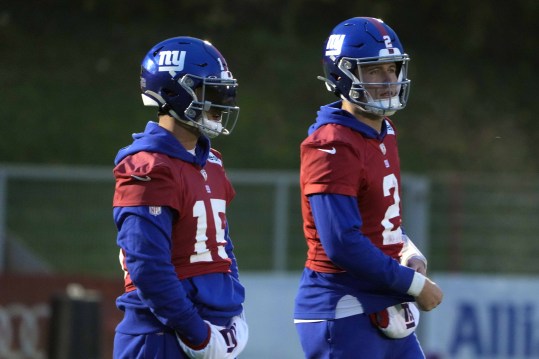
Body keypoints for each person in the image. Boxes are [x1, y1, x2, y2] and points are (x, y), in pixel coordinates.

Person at [294, 17, 443, 358]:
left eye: (392, 69)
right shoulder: (331, 144)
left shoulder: (383, 130)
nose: (389, 81)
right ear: (342, 75)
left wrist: (407, 250)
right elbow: (342, 243)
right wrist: (415, 285)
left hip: (382, 300)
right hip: (343, 309)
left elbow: (380, 219)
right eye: (374, 71)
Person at [112, 36, 248, 359]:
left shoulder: (211, 160)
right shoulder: (147, 166)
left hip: (205, 328)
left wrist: (233, 308)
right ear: (174, 92)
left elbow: (222, 246)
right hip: (161, 335)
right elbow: (148, 267)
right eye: (208, 91)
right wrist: (197, 333)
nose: (220, 102)